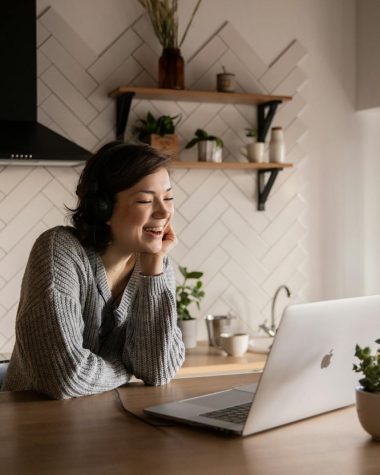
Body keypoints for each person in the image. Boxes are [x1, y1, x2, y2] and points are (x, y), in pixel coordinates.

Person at [1, 142, 185, 399]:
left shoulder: (156, 264)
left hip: (107, 422)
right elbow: (65, 377)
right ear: (104, 208)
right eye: (145, 200)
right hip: (36, 424)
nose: (164, 211)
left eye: (168, 197)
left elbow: (157, 371)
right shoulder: (59, 250)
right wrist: (125, 367)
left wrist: (153, 271)